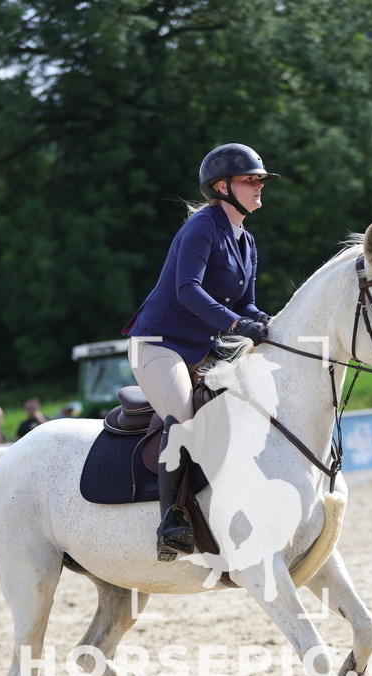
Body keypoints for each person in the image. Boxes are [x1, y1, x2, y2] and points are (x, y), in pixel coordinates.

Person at [123, 143, 279, 562]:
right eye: (251, 179)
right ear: (222, 186)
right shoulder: (202, 227)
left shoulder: (246, 241)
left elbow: (245, 303)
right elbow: (186, 289)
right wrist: (234, 325)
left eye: (260, 179)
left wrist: (271, 324)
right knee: (186, 416)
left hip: (201, 350)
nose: (259, 185)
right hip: (159, 345)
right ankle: (171, 522)